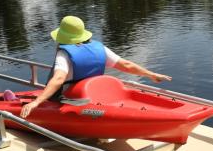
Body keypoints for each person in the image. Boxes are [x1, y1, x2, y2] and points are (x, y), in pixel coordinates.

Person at [20, 16, 171, 118]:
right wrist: (151, 74)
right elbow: (125, 64)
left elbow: (59, 78)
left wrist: (36, 102)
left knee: (50, 91)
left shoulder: (64, 54)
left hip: (70, 97)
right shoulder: (99, 47)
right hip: (95, 92)